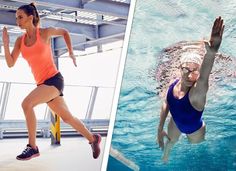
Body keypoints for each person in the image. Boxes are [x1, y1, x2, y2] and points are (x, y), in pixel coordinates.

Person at [2, 3, 101, 160]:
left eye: (20, 17)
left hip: (54, 80)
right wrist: (6, 45)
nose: (17, 21)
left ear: (30, 17)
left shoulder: (45, 33)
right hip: (43, 85)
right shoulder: (20, 41)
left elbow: (65, 32)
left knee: (26, 104)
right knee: (67, 118)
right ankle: (93, 139)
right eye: (16, 18)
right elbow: (10, 63)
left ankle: (32, 147)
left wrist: (70, 52)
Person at [157, 16, 224, 162]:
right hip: (175, 123)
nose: (188, 73)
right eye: (186, 69)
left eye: (194, 70)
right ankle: (166, 156)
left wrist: (211, 53)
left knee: (196, 145)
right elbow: (167, 103)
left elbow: (205, 75)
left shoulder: (197, 93)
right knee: (171, 142)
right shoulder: (173, 85)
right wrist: (159, 128)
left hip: (195, 129)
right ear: (180, 68)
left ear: (198, 72)